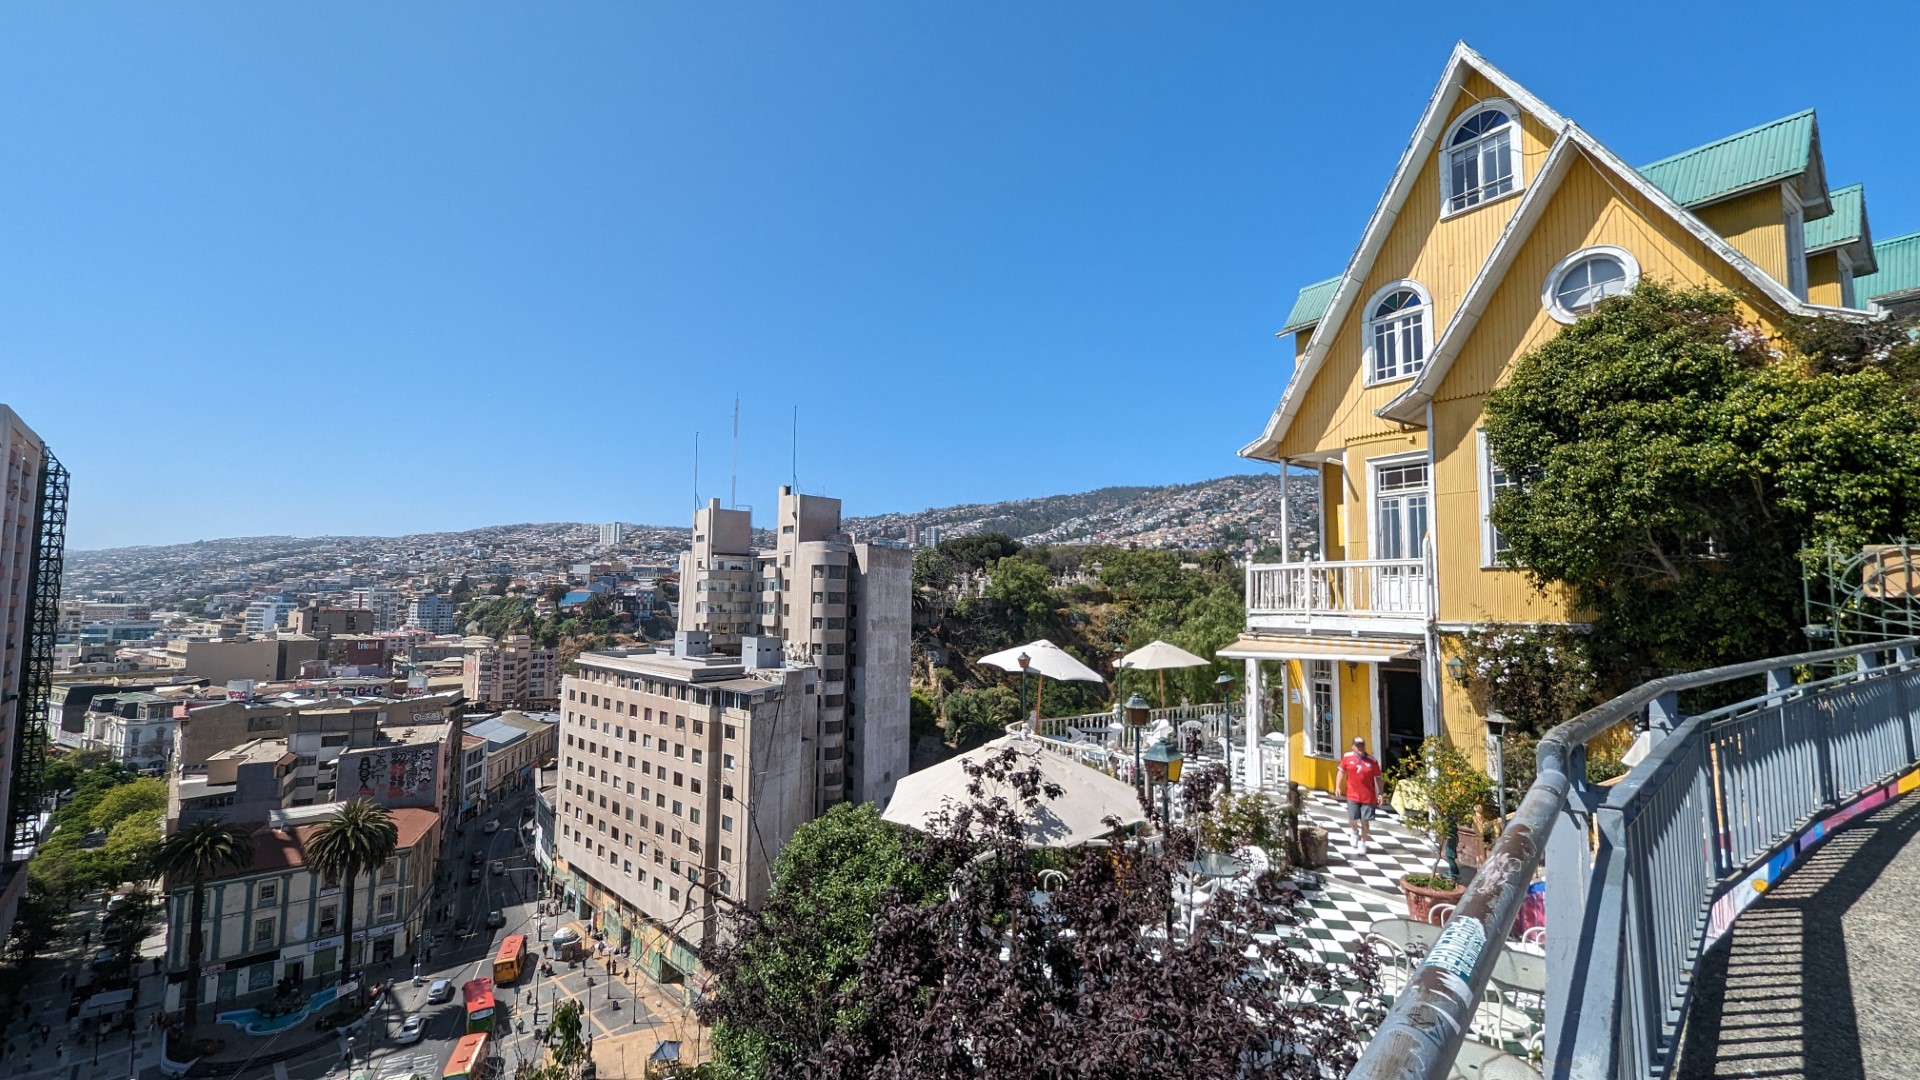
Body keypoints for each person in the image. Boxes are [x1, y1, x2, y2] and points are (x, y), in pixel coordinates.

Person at [1337, 736, 1384, 853]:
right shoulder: (1347, 757)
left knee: (1365, 820)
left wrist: (1381, 793)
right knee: (1352, 818)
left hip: (1368, 796)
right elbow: (1341, 771)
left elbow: (1378, 778)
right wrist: (1337, 786)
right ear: (1353, 747)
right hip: (1352, 794)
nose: (1360, 748)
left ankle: (1363, 842)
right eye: (1357, 746)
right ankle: (1354, 831)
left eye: (1362, 745)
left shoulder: (1372, 761)